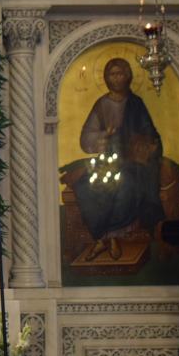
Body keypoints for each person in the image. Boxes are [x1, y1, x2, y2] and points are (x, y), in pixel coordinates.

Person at [71, 57, 165, 262]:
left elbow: (149, 133)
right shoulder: (102, 104)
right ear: (106, 77)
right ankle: (102, 238)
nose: (116, 78)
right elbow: (86, 137)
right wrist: (104, 135)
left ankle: (109, 237)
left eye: (120, 73)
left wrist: (143, 145)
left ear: (128, 76)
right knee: (84, 187)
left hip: (132, 163)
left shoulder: (136, 104)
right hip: (108, 161)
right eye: (112, 74)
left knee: (125, 187)